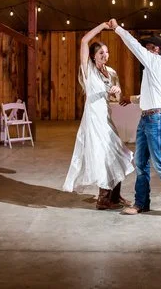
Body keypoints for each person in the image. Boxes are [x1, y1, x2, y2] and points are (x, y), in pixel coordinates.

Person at [108, 18, 161, 221]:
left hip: (156, 120)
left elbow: (134, 46)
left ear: (156, 49)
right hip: (147, 119)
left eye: (149, 46)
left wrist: (117, 28)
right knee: (141, 163)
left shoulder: (154, 61)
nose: (146, 48)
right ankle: (141, 204)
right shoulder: (154, 70)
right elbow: (152, 96)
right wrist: (132, 98)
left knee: (160, 164)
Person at [62, 21, 134, 210]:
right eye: (101, 53)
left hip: (106, 118)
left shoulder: (111, 72)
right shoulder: (88, 71)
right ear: (93, 57)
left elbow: (117, 99)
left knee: (117, 154)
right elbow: (84, 41)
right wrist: (103, 26)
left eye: (107, 52)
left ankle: (115, 196)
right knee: (103, 156)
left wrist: (117, 92)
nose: (105, 55)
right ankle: (103, 200)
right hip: (93, 120)